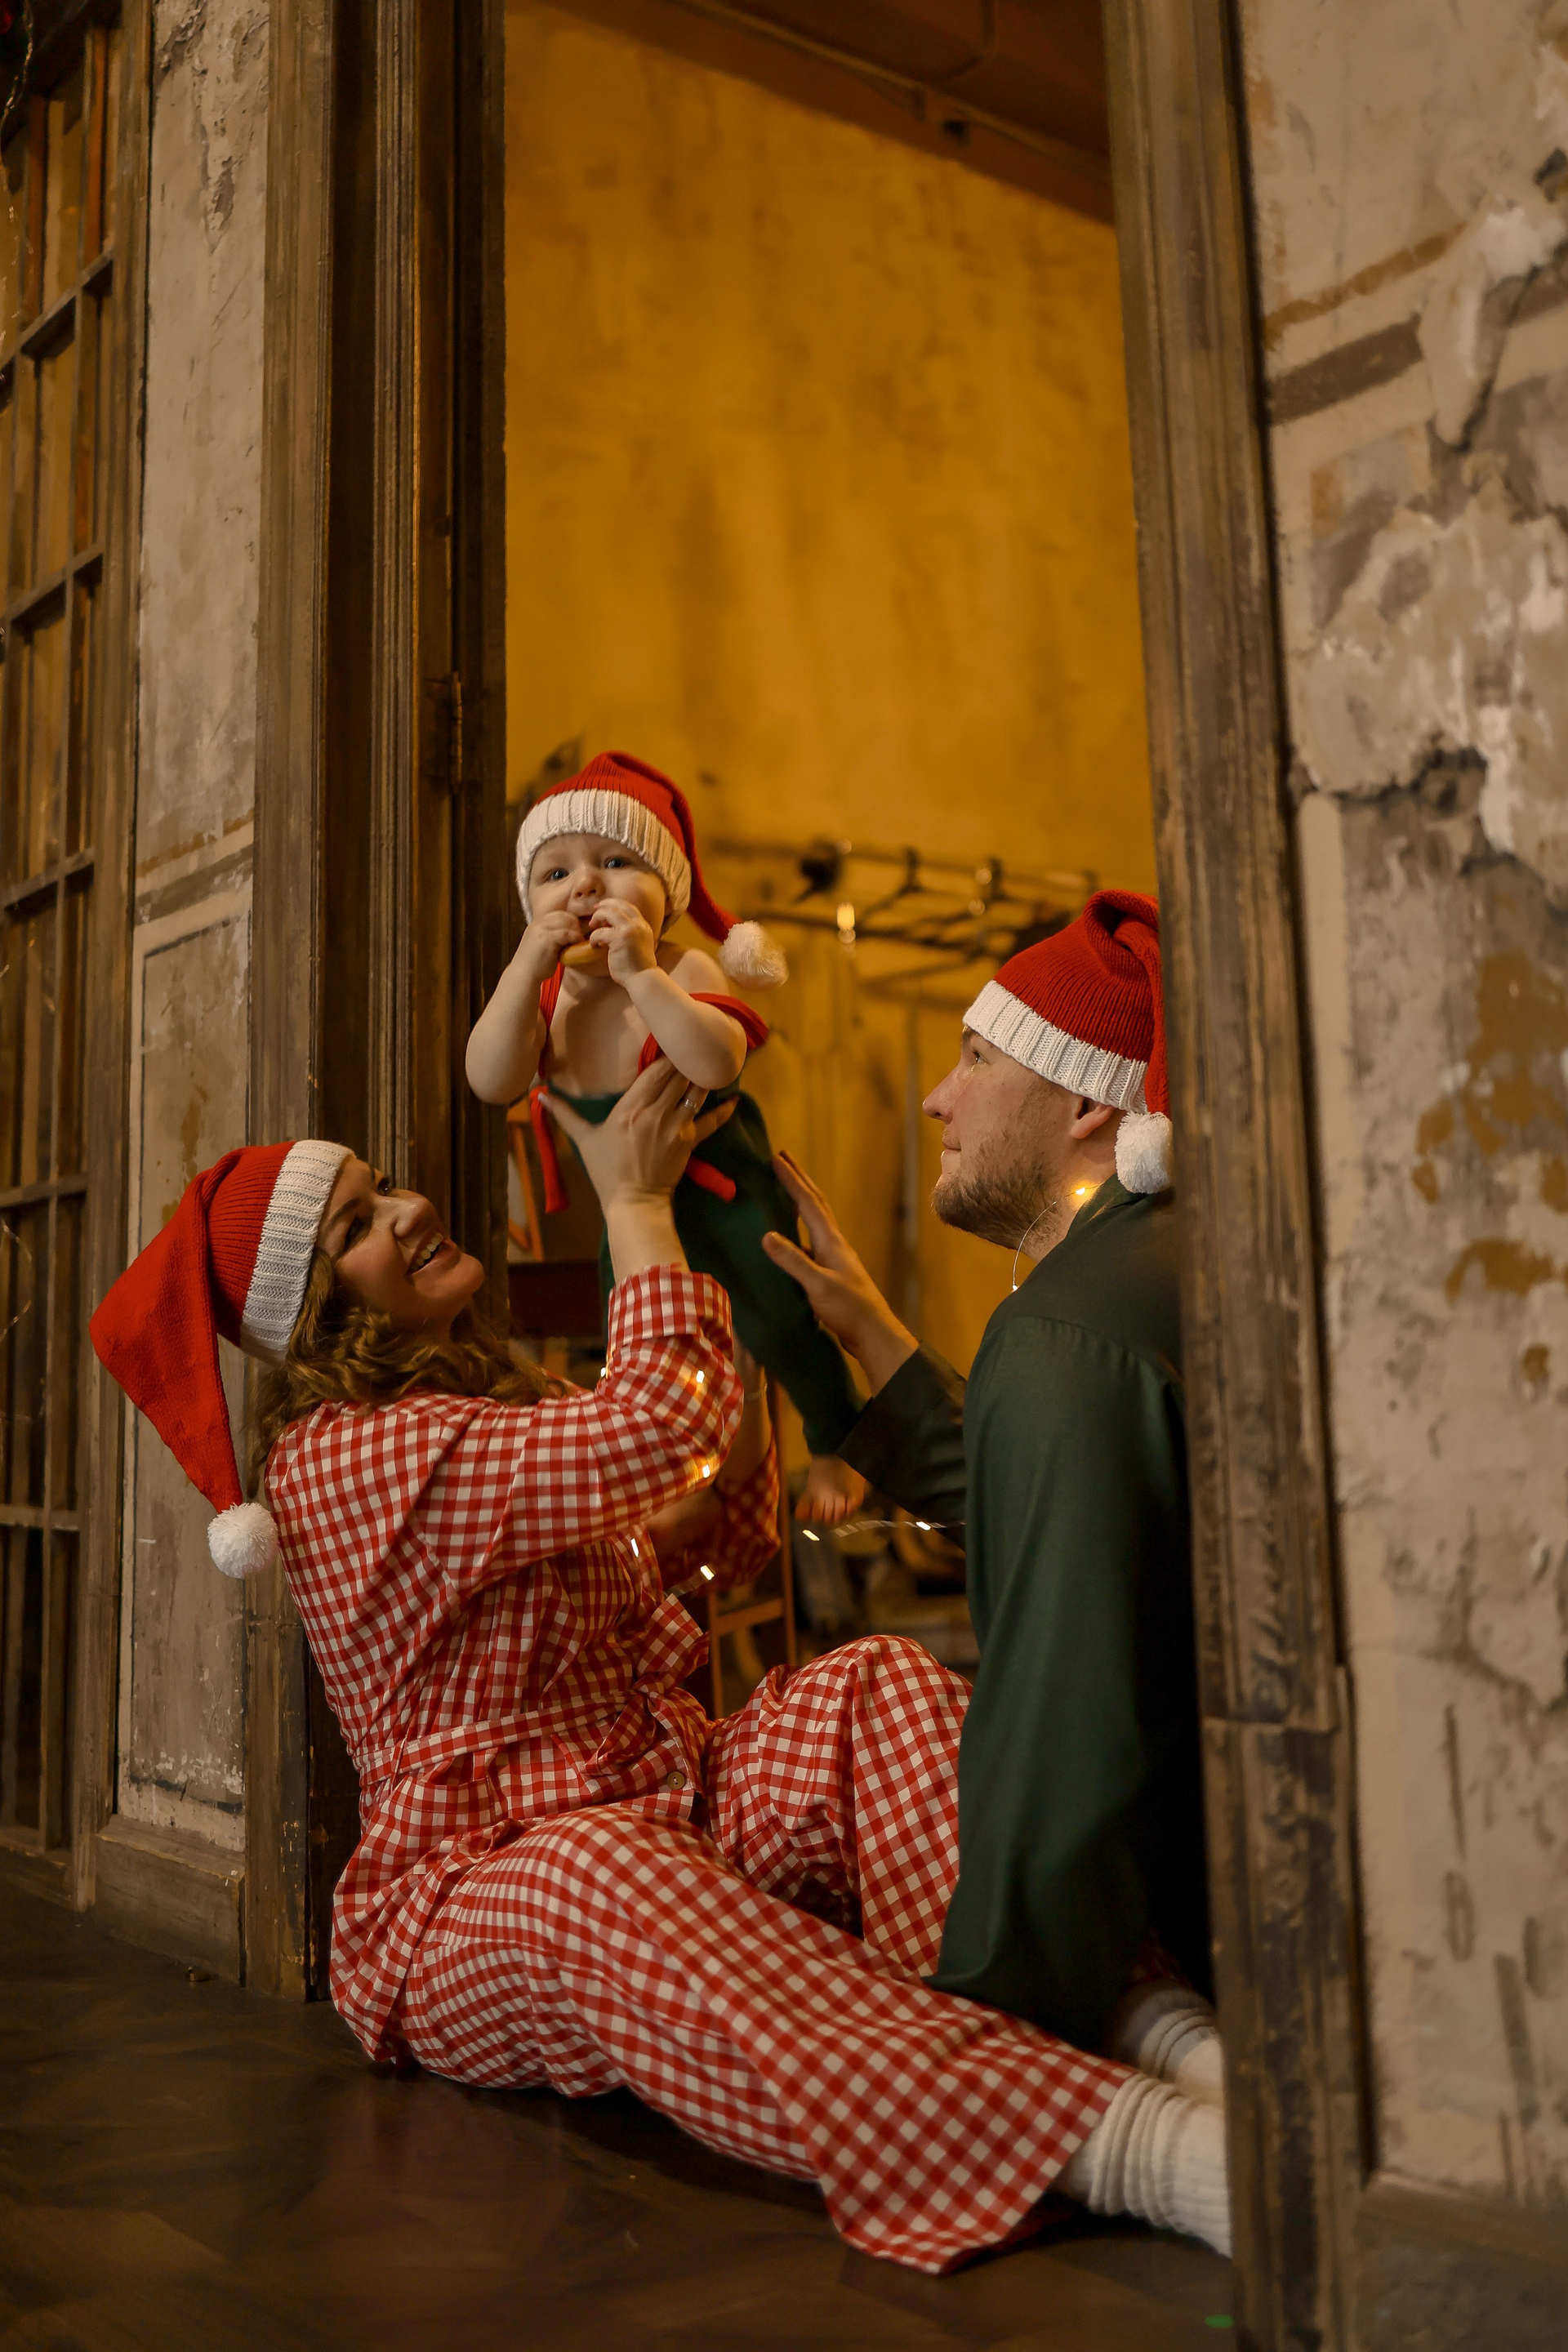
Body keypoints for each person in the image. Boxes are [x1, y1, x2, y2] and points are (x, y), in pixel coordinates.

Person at [89, 1054, 1228, 2267]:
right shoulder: (341, 1460)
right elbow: (660, 1425)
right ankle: (1136, 2144)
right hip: (476, 1889)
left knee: (872, 1687)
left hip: (670, 1802)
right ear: (320, 1319)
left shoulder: (500, 1403)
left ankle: (1156, 2032)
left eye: (386, 1187)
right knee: (594, 1868)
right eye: (358, 1227)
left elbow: (707, 1531)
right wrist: (629, 1202)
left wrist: (754, 1294)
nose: (410, 1211)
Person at [763, 889, 1222, 2104]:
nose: (937, 1098)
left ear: (1085, 1104)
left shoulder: (1066, 1333)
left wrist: (991, 2024)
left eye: (976, 1058)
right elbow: (1082, 1517)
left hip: (1200, 1949)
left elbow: (1071, 1713)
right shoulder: (1159, 1267)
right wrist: (879, 1343)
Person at [466, 749, 866, 1525]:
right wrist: (521, 970)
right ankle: (682, 1469)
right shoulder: (545, 994)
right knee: (637, 1333)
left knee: (779, 1315)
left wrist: (642, 975)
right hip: (627, 1203)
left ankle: (834, 1433)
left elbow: (716, 1061)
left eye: (616, 863)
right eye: (555, 873)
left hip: (725, 1183)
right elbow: (490, 1078)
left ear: (669, 893)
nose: (585, 886)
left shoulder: (684, 969)